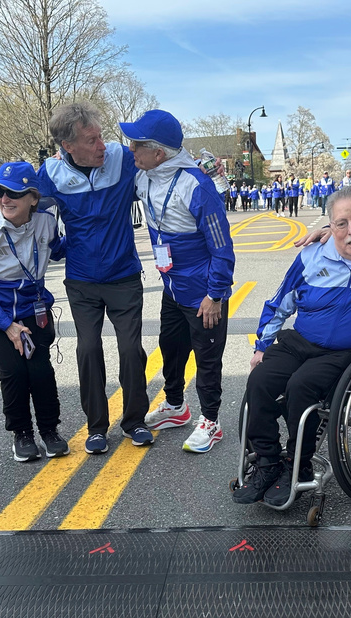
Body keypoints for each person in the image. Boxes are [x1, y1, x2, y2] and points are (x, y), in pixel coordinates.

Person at [0, 103, 153, 453]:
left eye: (100, 136)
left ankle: (135, 420)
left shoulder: (121, 158)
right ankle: (97, 427)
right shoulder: (50, 173)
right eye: (91, 140)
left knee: (130, 349)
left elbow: (158, 169)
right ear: (68, 146)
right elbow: (12, 196)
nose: (102, 145)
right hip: (81, 279)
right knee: (88, 349)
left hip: (124, 275)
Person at [234, 185, 351, 505]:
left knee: (301, 386)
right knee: (260, 380)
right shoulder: (312, 255)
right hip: (302, 341)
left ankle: (299, 464)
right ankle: (267, 463)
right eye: (340, 223)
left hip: (348, 353)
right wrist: (261, 345)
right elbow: (280, 302)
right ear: (330, 225)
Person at [120, 109, 236, 453]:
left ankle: (211, 421)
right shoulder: (145, 176)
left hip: (203, 295)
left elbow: (222, 247)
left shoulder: (196, 186)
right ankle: (176, 407)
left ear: (158, 153)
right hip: (173, 289)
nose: (130, 149)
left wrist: (215, 294)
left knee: (207, 360)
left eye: (137, 144)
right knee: (171, 349)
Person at [0, 161, 70, 462]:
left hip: (33, 304)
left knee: (40, 368)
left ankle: (49, 430)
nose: (5, 199)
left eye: (14, 193)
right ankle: (22, 433)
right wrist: (7, 325)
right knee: (15, 370)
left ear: (33, 197)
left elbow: (59, 249)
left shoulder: (46, 221)